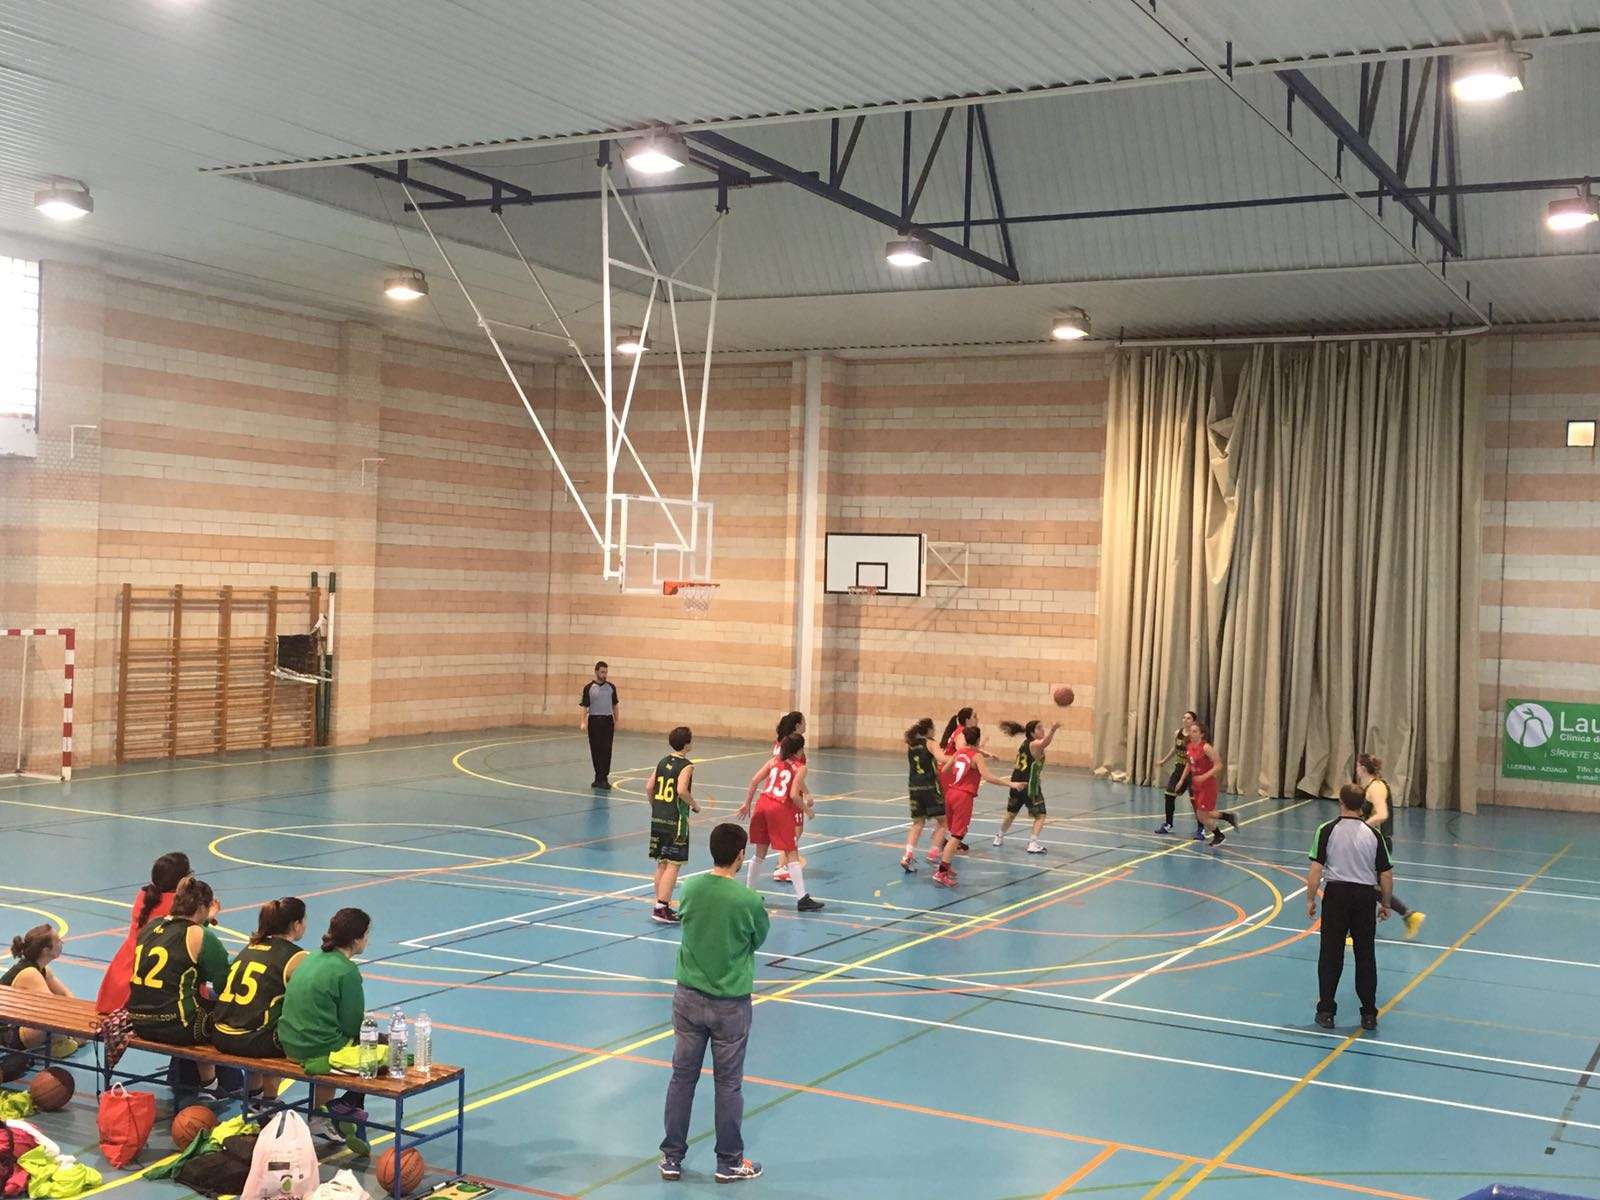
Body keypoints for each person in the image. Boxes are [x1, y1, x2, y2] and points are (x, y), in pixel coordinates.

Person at [659, 823, 769, 1184]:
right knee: (728, 1084)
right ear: (740, 856)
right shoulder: (748, 900)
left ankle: (671, 1158)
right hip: (730, 1004)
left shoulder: (690, 887)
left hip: (688, 997)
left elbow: (687, 920)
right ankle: (729, 1162)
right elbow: (757, 938)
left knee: (682, 1078)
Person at [1307, 783, 1394, 1032]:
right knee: (1365, 956)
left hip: (1336, 896)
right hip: (1364, 898)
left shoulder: (1326, 830)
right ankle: (1368, 1014)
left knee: (1330, 956)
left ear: (1341, 803)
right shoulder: (1374, 835)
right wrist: (1386, 903)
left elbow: (1316, 870)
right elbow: (1386, 874)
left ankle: (1326, 1012)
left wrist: (1310, 899)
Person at [127, 877, 229, 1086]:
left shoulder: (151, 926)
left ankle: (189, 1079)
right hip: (176, 1026)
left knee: (196, 999)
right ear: (202, 906)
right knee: (227, 1016)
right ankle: (214, 1084)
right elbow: (224, 983)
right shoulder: (201, 935)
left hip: (138, 1020)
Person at [278, 908, 371, 1120]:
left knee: (329, 1033)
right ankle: (339, 1108)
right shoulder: (347, 971)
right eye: (366, 935)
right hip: (316, 1048)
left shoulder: (309, 958)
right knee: (374, 1051)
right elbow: (352, 1025)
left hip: (288, 1041)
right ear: (357, 939)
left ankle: (324, 1112)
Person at [210, 898, 309, 1096]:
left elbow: (220, 986)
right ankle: (269, 1101)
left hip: (221, 1034)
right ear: (296, 925)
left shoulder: (249, 948)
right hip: (252, 1041)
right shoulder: (296, 957)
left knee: (261, 1012)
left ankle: (254, 1094)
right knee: (288, 1027)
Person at [735, 733, 823, 912]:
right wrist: (808, 810)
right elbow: (792, 795)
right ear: (799, 749)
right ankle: (802, 899)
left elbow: (754, 781)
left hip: (762, 804)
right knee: (791, 852)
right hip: (779, 808)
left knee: (760, 852)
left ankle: (749, 893)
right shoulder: (800, 766)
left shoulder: (773, 761)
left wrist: (746, 804)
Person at [97, 851, 191, 1013]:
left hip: (119, 980)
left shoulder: (144, 895)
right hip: (146, 991)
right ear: (182, 881)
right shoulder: (178, 907)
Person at [933, 726, 1013, 887]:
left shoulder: (959, 752)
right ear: (977, 739)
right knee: (957, 836)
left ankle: (944, 865)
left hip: (951, 793)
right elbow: (989, 777)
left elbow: (945, 770)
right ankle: (941, 872)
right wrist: (1011, 784)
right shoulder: (976, 756)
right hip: (963, 796)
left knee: (956, 831)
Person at [1357, 754, 1425, 940]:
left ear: (1362, 767)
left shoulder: (1376, 787)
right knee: (1372, 889)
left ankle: (1355, 932)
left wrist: (1362, 828)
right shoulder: (1371, 787)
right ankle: (1410, 916)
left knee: (1362, 887)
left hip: (1377, 844)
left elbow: (1382, 814)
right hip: (1372, 843)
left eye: (1357, 766)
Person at [2, 925, 78, 1058]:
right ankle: (55, 1046)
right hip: (6, 1033)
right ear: (45, 950)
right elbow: (52, 1009)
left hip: (18, 1025)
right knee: (57, 1022)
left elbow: (67, 995)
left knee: (76, 1028)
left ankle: (62, 1041)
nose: (62, 943)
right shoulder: (30, 973)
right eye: (58, 941)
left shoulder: (43, 969)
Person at [648, 727, 700, 924]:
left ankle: (660, 905)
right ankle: (662, 906)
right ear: (687, 744)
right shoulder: (686, 765)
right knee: (673, 864)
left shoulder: (662, 761)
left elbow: (649, 786)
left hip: (658, 817)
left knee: (661, 861)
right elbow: (681, 790)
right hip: (675, 821)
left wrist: (656, 806)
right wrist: (694, 805)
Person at [993, 719, 1061, 854]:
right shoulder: (1034, 744)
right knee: (1040, 815)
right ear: (1032, 733)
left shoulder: (1025, 743)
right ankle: (1033, 844)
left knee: (1011, 813)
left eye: (1043, 727)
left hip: (1015, 782)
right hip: (1029, 785)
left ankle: (999, 836)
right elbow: (1044, 743)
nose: (1042, 730)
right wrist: (1053, 730)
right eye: (1039, 728)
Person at [1175, 718, 1238, 847]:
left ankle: (1220, 834)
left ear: (1201, 734)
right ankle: (1228, 818)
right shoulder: (1189, 747)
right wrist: (1181, 780)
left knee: (1203, 815)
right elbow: (1189, 763)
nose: (1191, 733)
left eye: (1194, 731)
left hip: (1207, 785)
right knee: (1201, 815)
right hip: (1196, 784)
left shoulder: (1206, 747)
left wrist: (1203, 776)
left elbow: (1219, 765)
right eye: (1191, 731)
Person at [899, 718, 949, 872]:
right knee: (943, 822)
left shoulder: (911, 744)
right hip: (929, 787)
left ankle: (907, 855)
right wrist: (959, 756)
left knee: (917, 824)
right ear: (928, 730)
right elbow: (942, 759)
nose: (935, 731)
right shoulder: (930, 742)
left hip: (914, 787)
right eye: (933, 728)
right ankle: (933, 854)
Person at [770, 712, 807, 884]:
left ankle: (782, 865)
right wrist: (806, 793)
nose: (806, 725)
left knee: (791, 831)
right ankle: (782, 866)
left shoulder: (781, 743)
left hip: (778, 790)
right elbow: (796, 772)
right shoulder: (794, 746)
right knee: (795, 831)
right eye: (804, 722)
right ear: (798, 725)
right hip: (790, 792)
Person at [1154, 711, 1205, 837]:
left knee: (1195, 801)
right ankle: (1168, 824)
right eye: (1184, 717)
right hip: (1179, 768)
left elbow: (1193, 758)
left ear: (1193, 721)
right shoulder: (1178, 733)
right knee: (1169, 795)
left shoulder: (1195, 737)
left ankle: (1201, 828)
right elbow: (1174, 748)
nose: (1185, 720)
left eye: (1188, 718)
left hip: (1192, 771)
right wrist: (1163, 760)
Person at [580, 660, 619, 789]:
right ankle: (598, 777)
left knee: (606, 750)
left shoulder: (611, 688)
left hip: (607, 721)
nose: (604, 674)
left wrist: (616, 721)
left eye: (606, 672)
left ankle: (604, 778)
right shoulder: (589, 688)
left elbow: (615, 705)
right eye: (602, 672)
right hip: (594, 721)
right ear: (596, 672)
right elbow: (585, 707)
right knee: (595, 749)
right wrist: (583, 721)